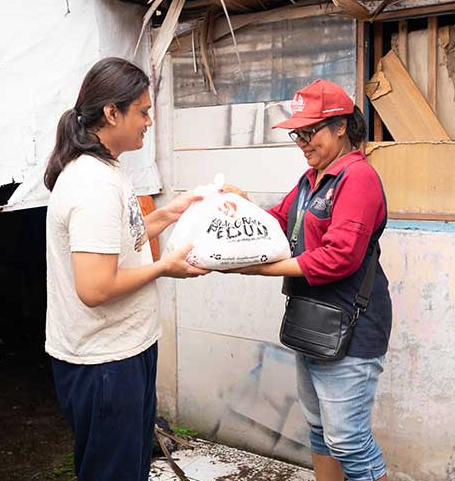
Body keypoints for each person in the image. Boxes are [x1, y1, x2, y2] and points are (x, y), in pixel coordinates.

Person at [43, 57, 208, 481]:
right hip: (105, 363)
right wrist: (164, 268)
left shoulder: (106, 170)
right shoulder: (93, 184)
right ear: (111, 113)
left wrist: (168, 214)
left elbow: (121, 240)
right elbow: (95, 287)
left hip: (123, 352)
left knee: (129, 469)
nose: (149, 121)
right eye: (143, 111)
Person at [230, 79, 392, 481]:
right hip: (312, 321)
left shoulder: (358, 178)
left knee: (349, 441)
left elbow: (340, 257)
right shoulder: (310, 181)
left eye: (310, 132)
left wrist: (261, 269)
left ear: (341, 126)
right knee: (321, 433)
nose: (302, 142)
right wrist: (235, 207)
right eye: (297, 134)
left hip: (351, 328)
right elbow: (277, 223)